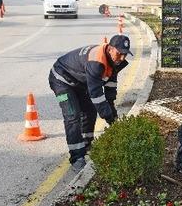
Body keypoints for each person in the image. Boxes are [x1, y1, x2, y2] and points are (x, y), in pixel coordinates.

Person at [49, 35, 133, 170]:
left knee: (89, 110)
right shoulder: (96, 62)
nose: (122, 58)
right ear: (110, 49)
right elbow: (97, 96)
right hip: (60, 81)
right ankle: (77, 157)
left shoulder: (114, 61)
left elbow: (109, 92)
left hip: (79, 83)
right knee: (72, 116)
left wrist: (114, 116)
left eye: (125, 54)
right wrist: (111, 119)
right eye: (119, 53)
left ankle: (87, 145)